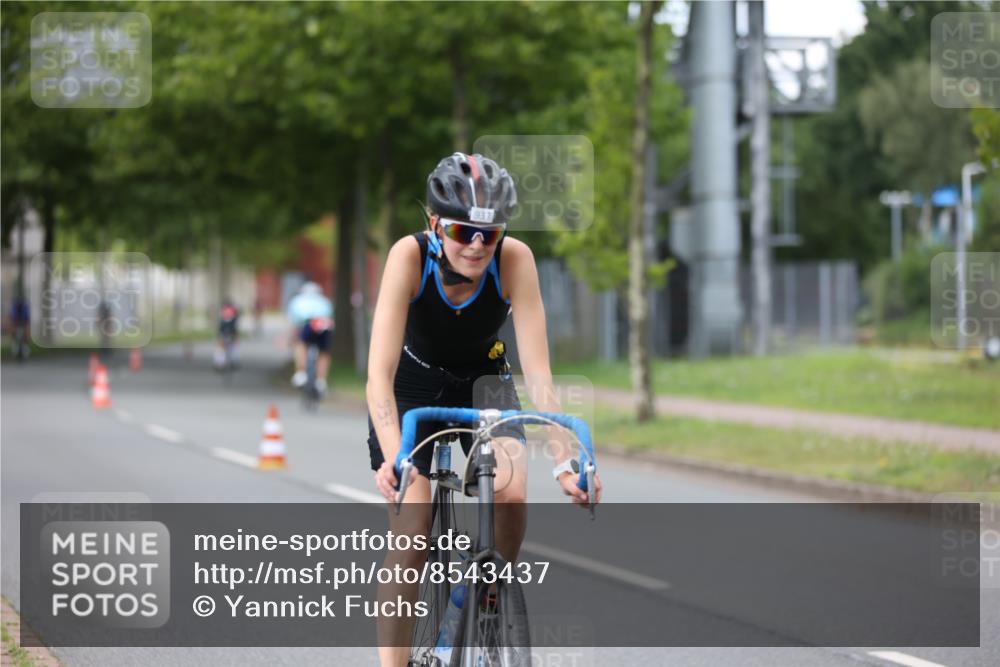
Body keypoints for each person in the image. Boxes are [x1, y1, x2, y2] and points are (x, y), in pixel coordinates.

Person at [366, 152, 603, 666]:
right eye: (460, 232)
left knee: (513, 494)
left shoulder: (515, 259)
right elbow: (377, 379)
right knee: (411, 533)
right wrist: (395, 457)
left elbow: (540, 379)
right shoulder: (407, 257)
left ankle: (489, 593)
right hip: (412, 388)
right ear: (434, 225)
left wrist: (566, 464)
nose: (475, 245)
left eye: (488, 234)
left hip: (484, 381)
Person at [286, 281, 333, 395]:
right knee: (324, 352)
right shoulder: (325, 301)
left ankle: (301, 373)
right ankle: (321, 381)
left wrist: (292, 339)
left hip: (308, 323)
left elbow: (293, 323)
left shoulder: (297, 301)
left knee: (301, 344)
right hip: (324, 324)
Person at [214, 297, 240, 370]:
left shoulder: (225, 312)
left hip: (227, 332)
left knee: (224, 349)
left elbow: (221, 325)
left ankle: (221, 364)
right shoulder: (233, 312)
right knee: (230, 348)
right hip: (229, 332)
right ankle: (229, 362)